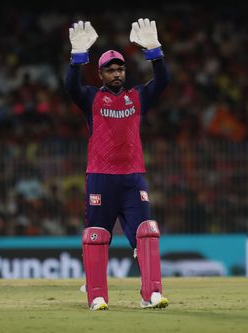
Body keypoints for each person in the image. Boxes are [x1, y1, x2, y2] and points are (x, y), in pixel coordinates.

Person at [65, 18, 170, 310]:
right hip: (100, 178)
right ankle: (96, 294)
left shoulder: (137, 98)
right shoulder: (91, 99)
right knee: (97, 238)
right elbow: (70, 86)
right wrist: (77, 59)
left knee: (146, 233)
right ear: (100, 74)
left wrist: (155, 51)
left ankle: (151, 294)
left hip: (133, 178)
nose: (116, 73)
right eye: (110, 69)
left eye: (120, 68)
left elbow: (162, 82)